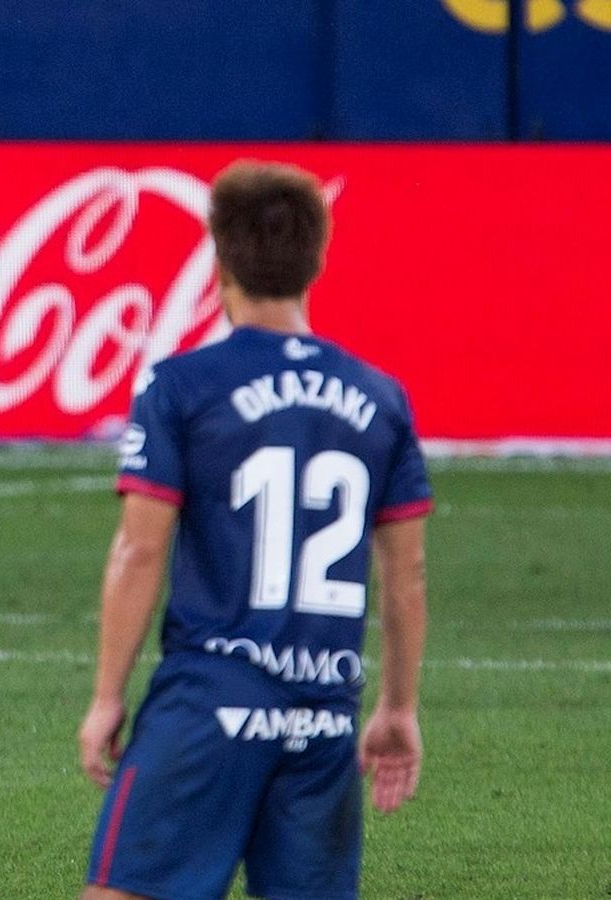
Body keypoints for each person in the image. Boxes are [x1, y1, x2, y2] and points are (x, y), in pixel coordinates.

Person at [75, 161, 431, 899]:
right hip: (323, 721)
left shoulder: (182, 386)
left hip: (209, 706)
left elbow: (141, 548)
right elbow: (406, 575)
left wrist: (109, 693)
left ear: (219, 261)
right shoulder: (381, 397)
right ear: (318, 260)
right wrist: (396, 708)